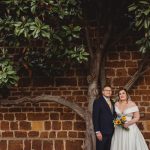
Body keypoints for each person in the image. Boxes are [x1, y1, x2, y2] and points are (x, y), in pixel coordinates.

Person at [92, 85, 115, 150]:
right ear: (103, 92)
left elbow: (113, 116)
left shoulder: (113, 102)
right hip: (102, 132)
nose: (109, 92)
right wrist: (97, 131)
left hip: (111, 131)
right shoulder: (98, 102)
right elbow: (95, 117)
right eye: (107, 90)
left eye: (110, 90)